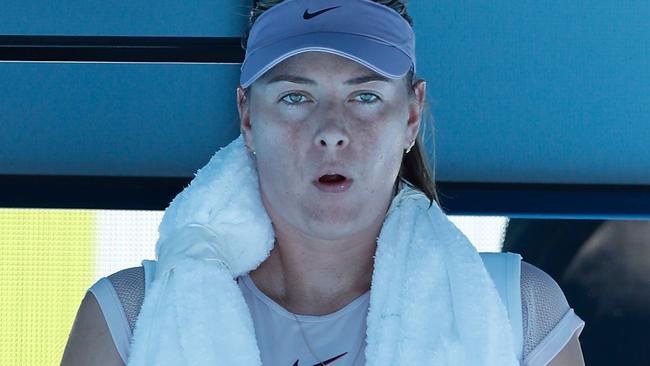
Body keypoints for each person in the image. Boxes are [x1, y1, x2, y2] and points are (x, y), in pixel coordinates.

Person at [61, 1, 585, 365]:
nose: (332, 131)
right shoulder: (128, 319)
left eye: (365, 97)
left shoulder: (519, 314)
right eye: (295, 97)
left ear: (411, 116)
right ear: (247, 117)